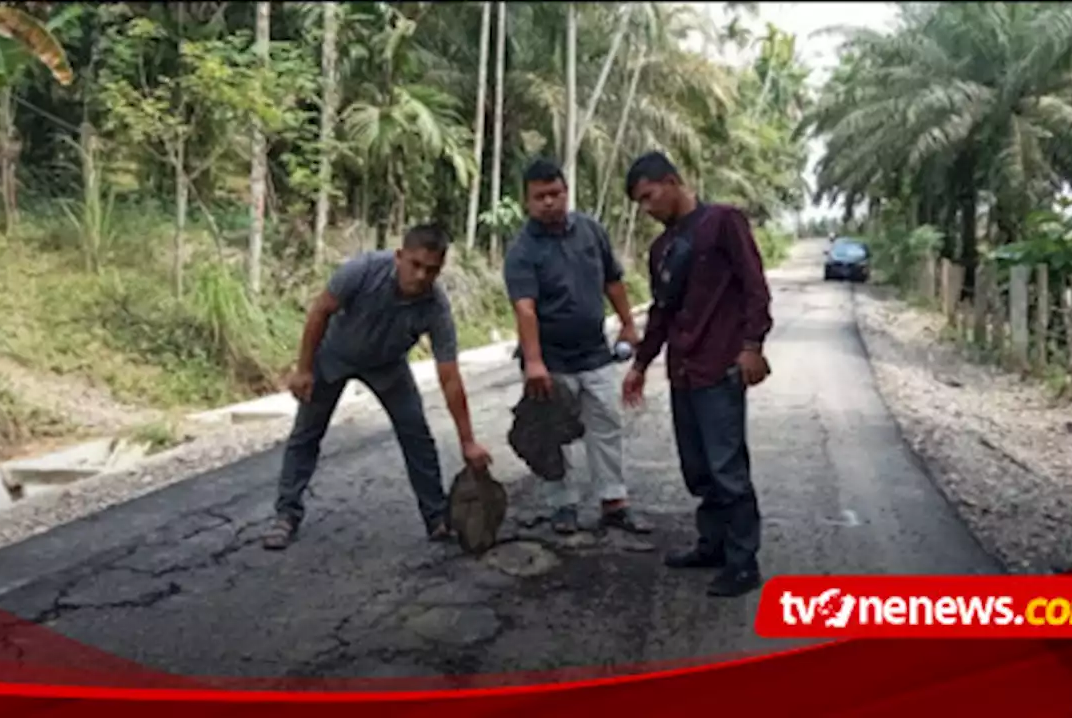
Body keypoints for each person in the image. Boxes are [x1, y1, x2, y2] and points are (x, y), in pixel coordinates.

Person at [262, 224, 493, 550]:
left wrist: (468, 441)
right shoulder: (363, 270)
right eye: (415, 265)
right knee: (306, 435)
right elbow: (320, 311)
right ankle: (286, 515)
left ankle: (436, 517)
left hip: (388, 367)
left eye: (432, 270)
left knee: (417, 435)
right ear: (399, 256)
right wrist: (304, 369)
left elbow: (450, 375)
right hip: (334, 357)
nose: (421, 276)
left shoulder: (435, 306)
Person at [621, 151, 773, 597]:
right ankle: (713, 544)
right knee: (698, 468)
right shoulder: (661, 249)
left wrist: (752, 346)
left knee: (727, 468)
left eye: (649, 197)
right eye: (640, 203)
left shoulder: (723, 222)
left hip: (720, 366)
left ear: (671, 181)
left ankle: (743, 562)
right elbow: (662, 314)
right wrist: (641, 364)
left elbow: (754, 286)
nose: (647, 209)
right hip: (683, 371)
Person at [502, 157, 650, 536]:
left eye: (555, 193)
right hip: (549, 361)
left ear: (566, 193)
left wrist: (629, 326)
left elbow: (613, 282)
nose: (548, 202)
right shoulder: (522, 250)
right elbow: (525, 308)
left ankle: (614, 502)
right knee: (550, 433)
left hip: (594, 353)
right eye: (540, 196)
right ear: (526, 201)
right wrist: (534, 361)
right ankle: (561, 505)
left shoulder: (591, 232)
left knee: (606, 424)